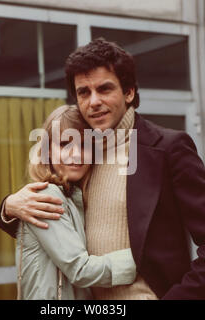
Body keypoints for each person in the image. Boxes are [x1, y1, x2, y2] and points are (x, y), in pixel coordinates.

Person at [0, 38, 205, 300]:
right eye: (84, 92)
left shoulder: (167, 149)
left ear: (129, 92)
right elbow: (57, 227)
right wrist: (8, 208)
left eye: (104, 89)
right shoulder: (83, 157)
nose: (94, 101)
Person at [16, 104, 136, 300]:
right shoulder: (47, 194)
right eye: (64, 144)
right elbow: (80, 270)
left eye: (84, 145)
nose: (76, 154)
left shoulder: (75, 196)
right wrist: (142, 259)